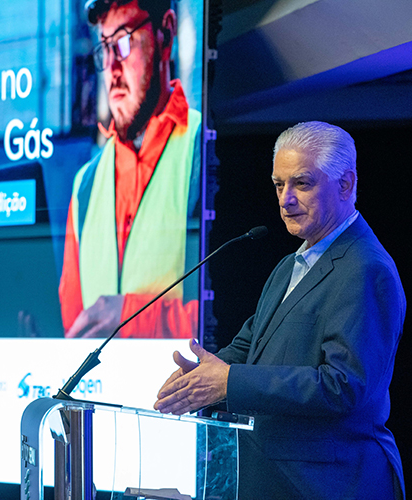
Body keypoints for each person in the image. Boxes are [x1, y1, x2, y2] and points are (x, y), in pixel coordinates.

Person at [155, 122, 406, 499]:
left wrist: (228, 382)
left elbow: (344, 386)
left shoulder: (365, 268)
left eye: (302, 183)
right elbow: (249, 346)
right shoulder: (290, 265)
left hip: (333, 485)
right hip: (277, 481)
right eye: (278, 184)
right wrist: (201, 377)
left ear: (345, 184)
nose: (285, 199)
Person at [60, 0, 201, 339]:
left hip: (178, 392)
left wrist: (128, 318)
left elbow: (230, 319)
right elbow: (74, 327)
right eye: (104, 48)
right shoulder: (86, 184)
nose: (112, 68)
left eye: (124, 42)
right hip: (95, 393)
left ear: (165, 35)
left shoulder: (204, 148)